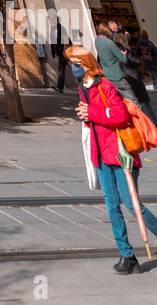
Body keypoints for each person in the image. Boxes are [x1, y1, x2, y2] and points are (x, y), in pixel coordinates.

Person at [66, 43, 157, 274]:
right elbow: (95, 121)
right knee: (111, 206)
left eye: (75, 64)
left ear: (85, 64)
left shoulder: (105, 85)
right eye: (70, 64)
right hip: (100, 155)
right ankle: (126, 255)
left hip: (120, 153)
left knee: (131, 204)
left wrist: (92, 113)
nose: (72, 68)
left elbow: (118, 115)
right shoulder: (83, 88)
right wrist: (86, 117)